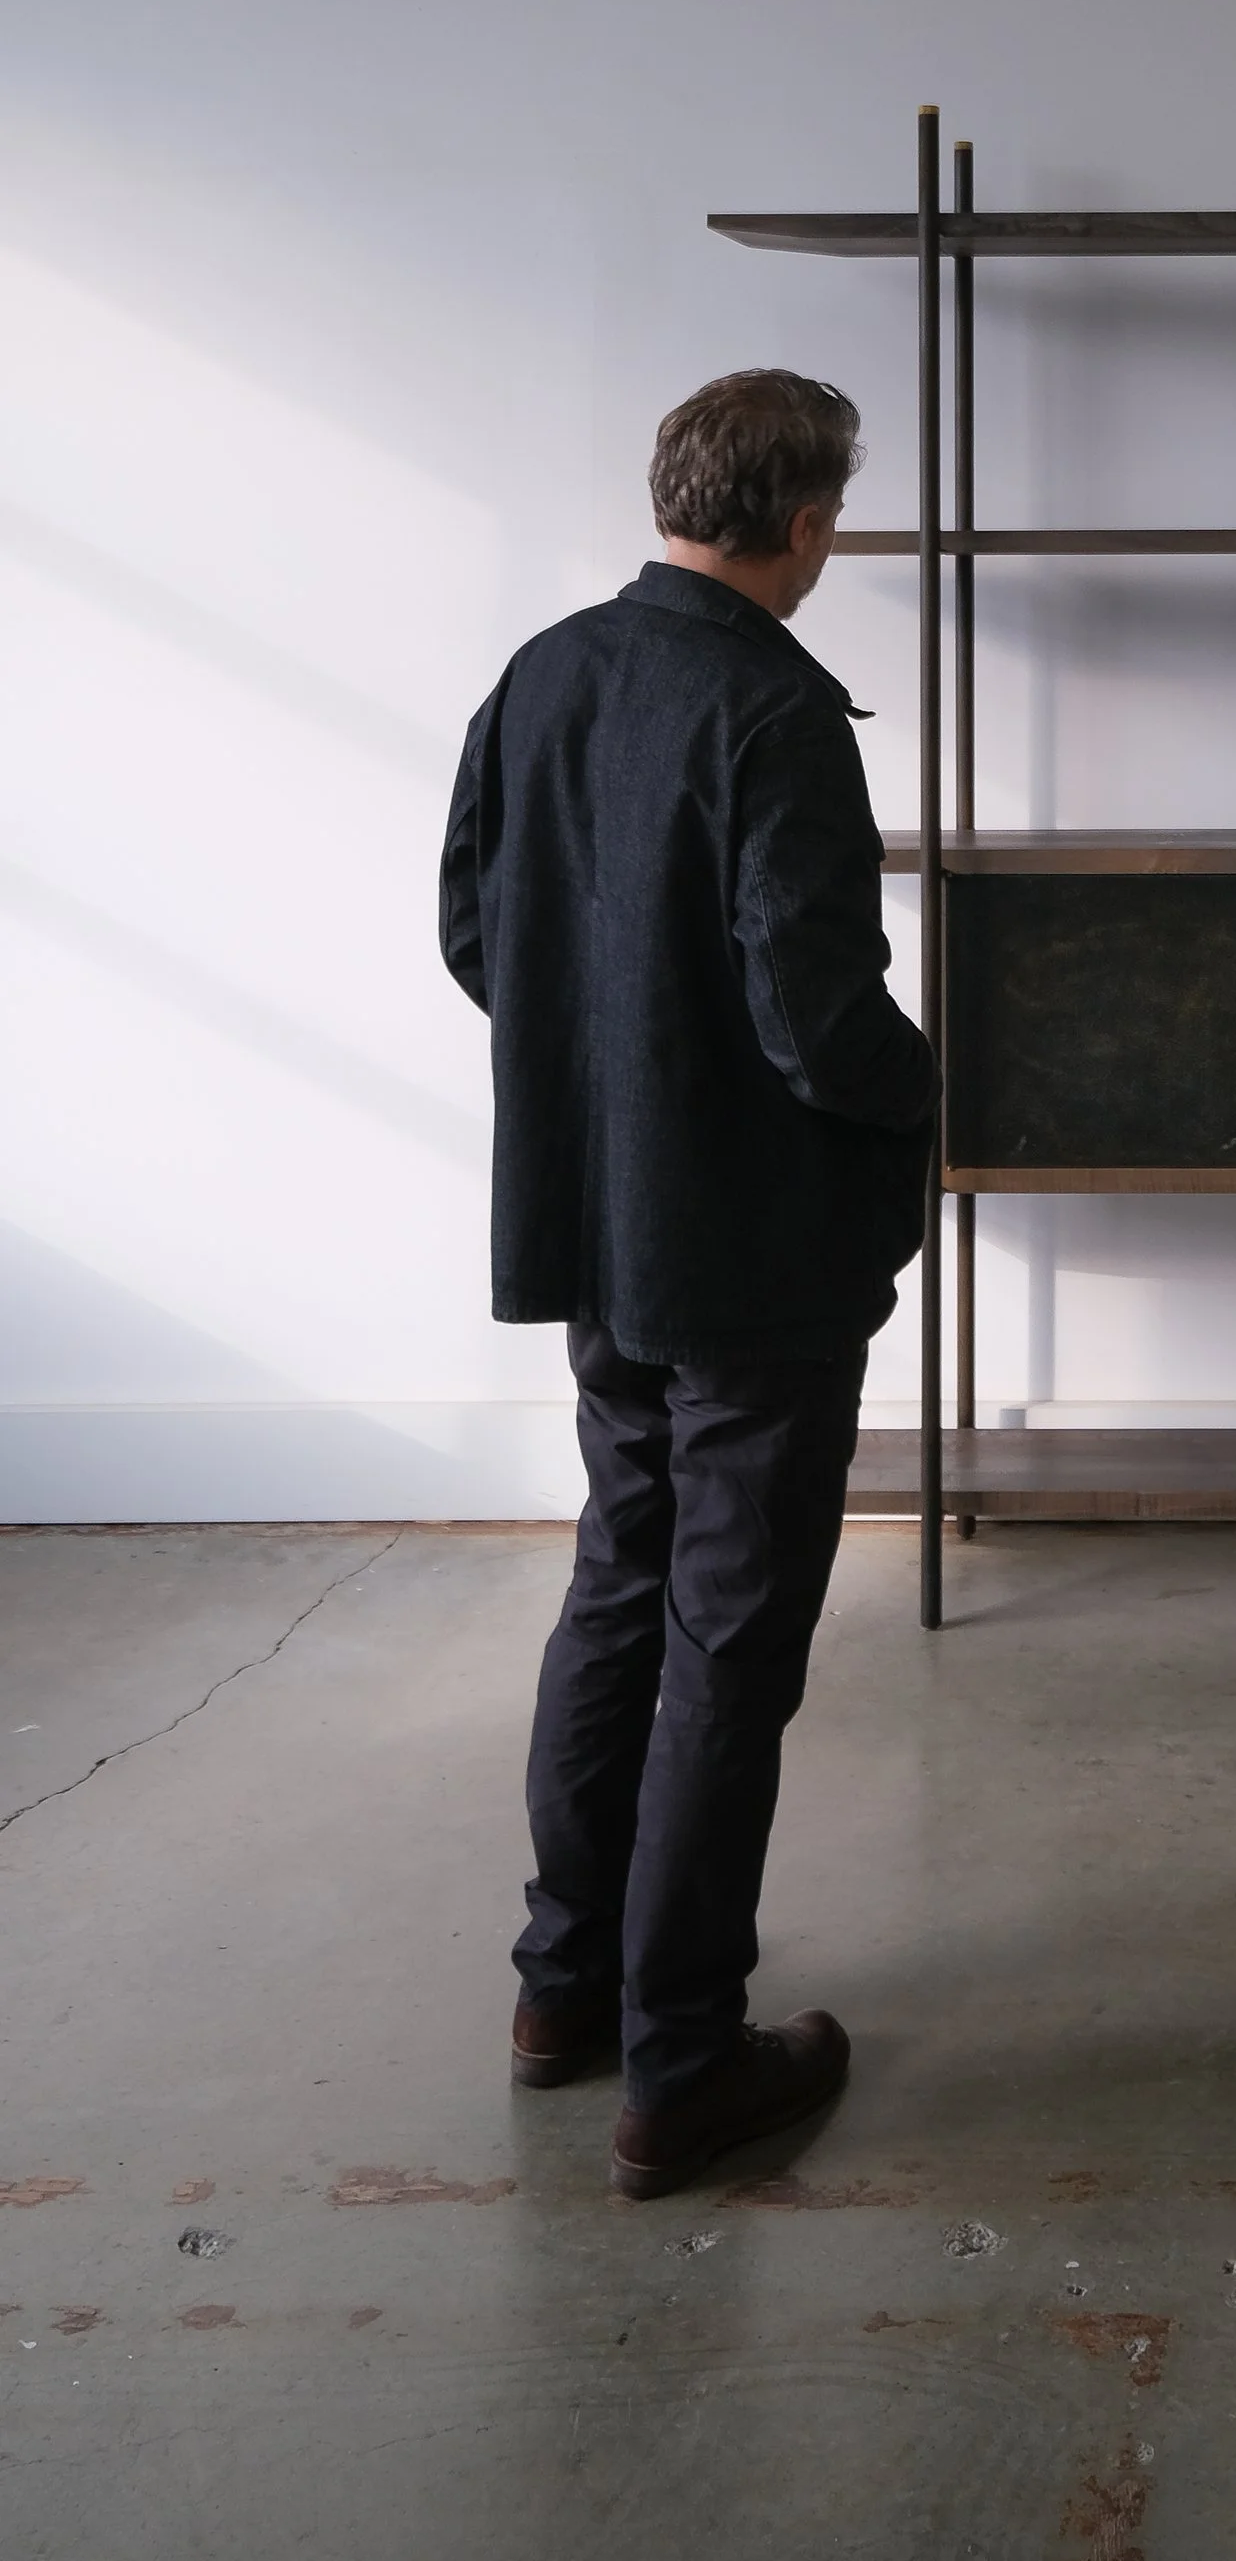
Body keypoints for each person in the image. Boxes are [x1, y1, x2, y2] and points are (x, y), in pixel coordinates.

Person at [440, 369, 936, 2196]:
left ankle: (561, 1993)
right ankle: (682, 2060)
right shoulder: (777, 710)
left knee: (619, 1586)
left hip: (605, 1232)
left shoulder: (545, 672)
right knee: (730, 1639)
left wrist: (619, 1069)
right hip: (752, 1254)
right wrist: (927, 1090)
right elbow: (815, 1017)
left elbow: (476, 927)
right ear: (803, 521)